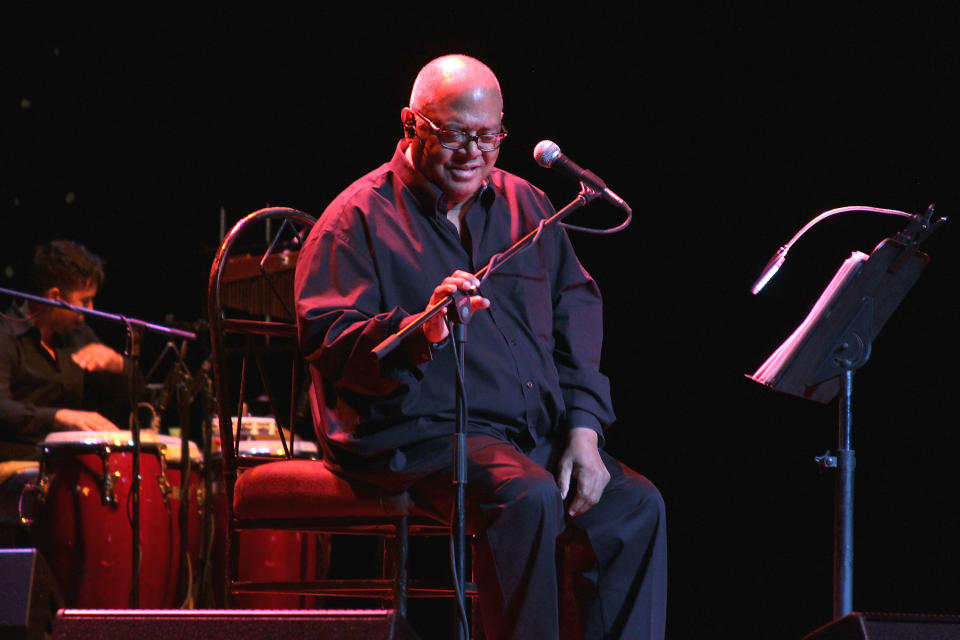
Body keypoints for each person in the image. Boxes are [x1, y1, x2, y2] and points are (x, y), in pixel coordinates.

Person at [295, 55, 666, 640]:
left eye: (489, 136)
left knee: (635, 506)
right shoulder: (356, 219)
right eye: (453, 135)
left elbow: (577, 324)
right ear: (411, 123)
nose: (474, 151)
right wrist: (422, 331)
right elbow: (332, 344)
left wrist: (584, 433)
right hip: (418, 431)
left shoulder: (528, 207)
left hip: (527, 435)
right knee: (527, 495)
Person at [0, 240, 134, 543]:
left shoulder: (77, 335)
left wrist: (118, 365)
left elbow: (138, 396)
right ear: (55, 297)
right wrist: (60, 417)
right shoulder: (5, 336)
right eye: (84, 301)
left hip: (67, 464)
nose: (90, 311)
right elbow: (1, 407)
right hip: (16, 467)